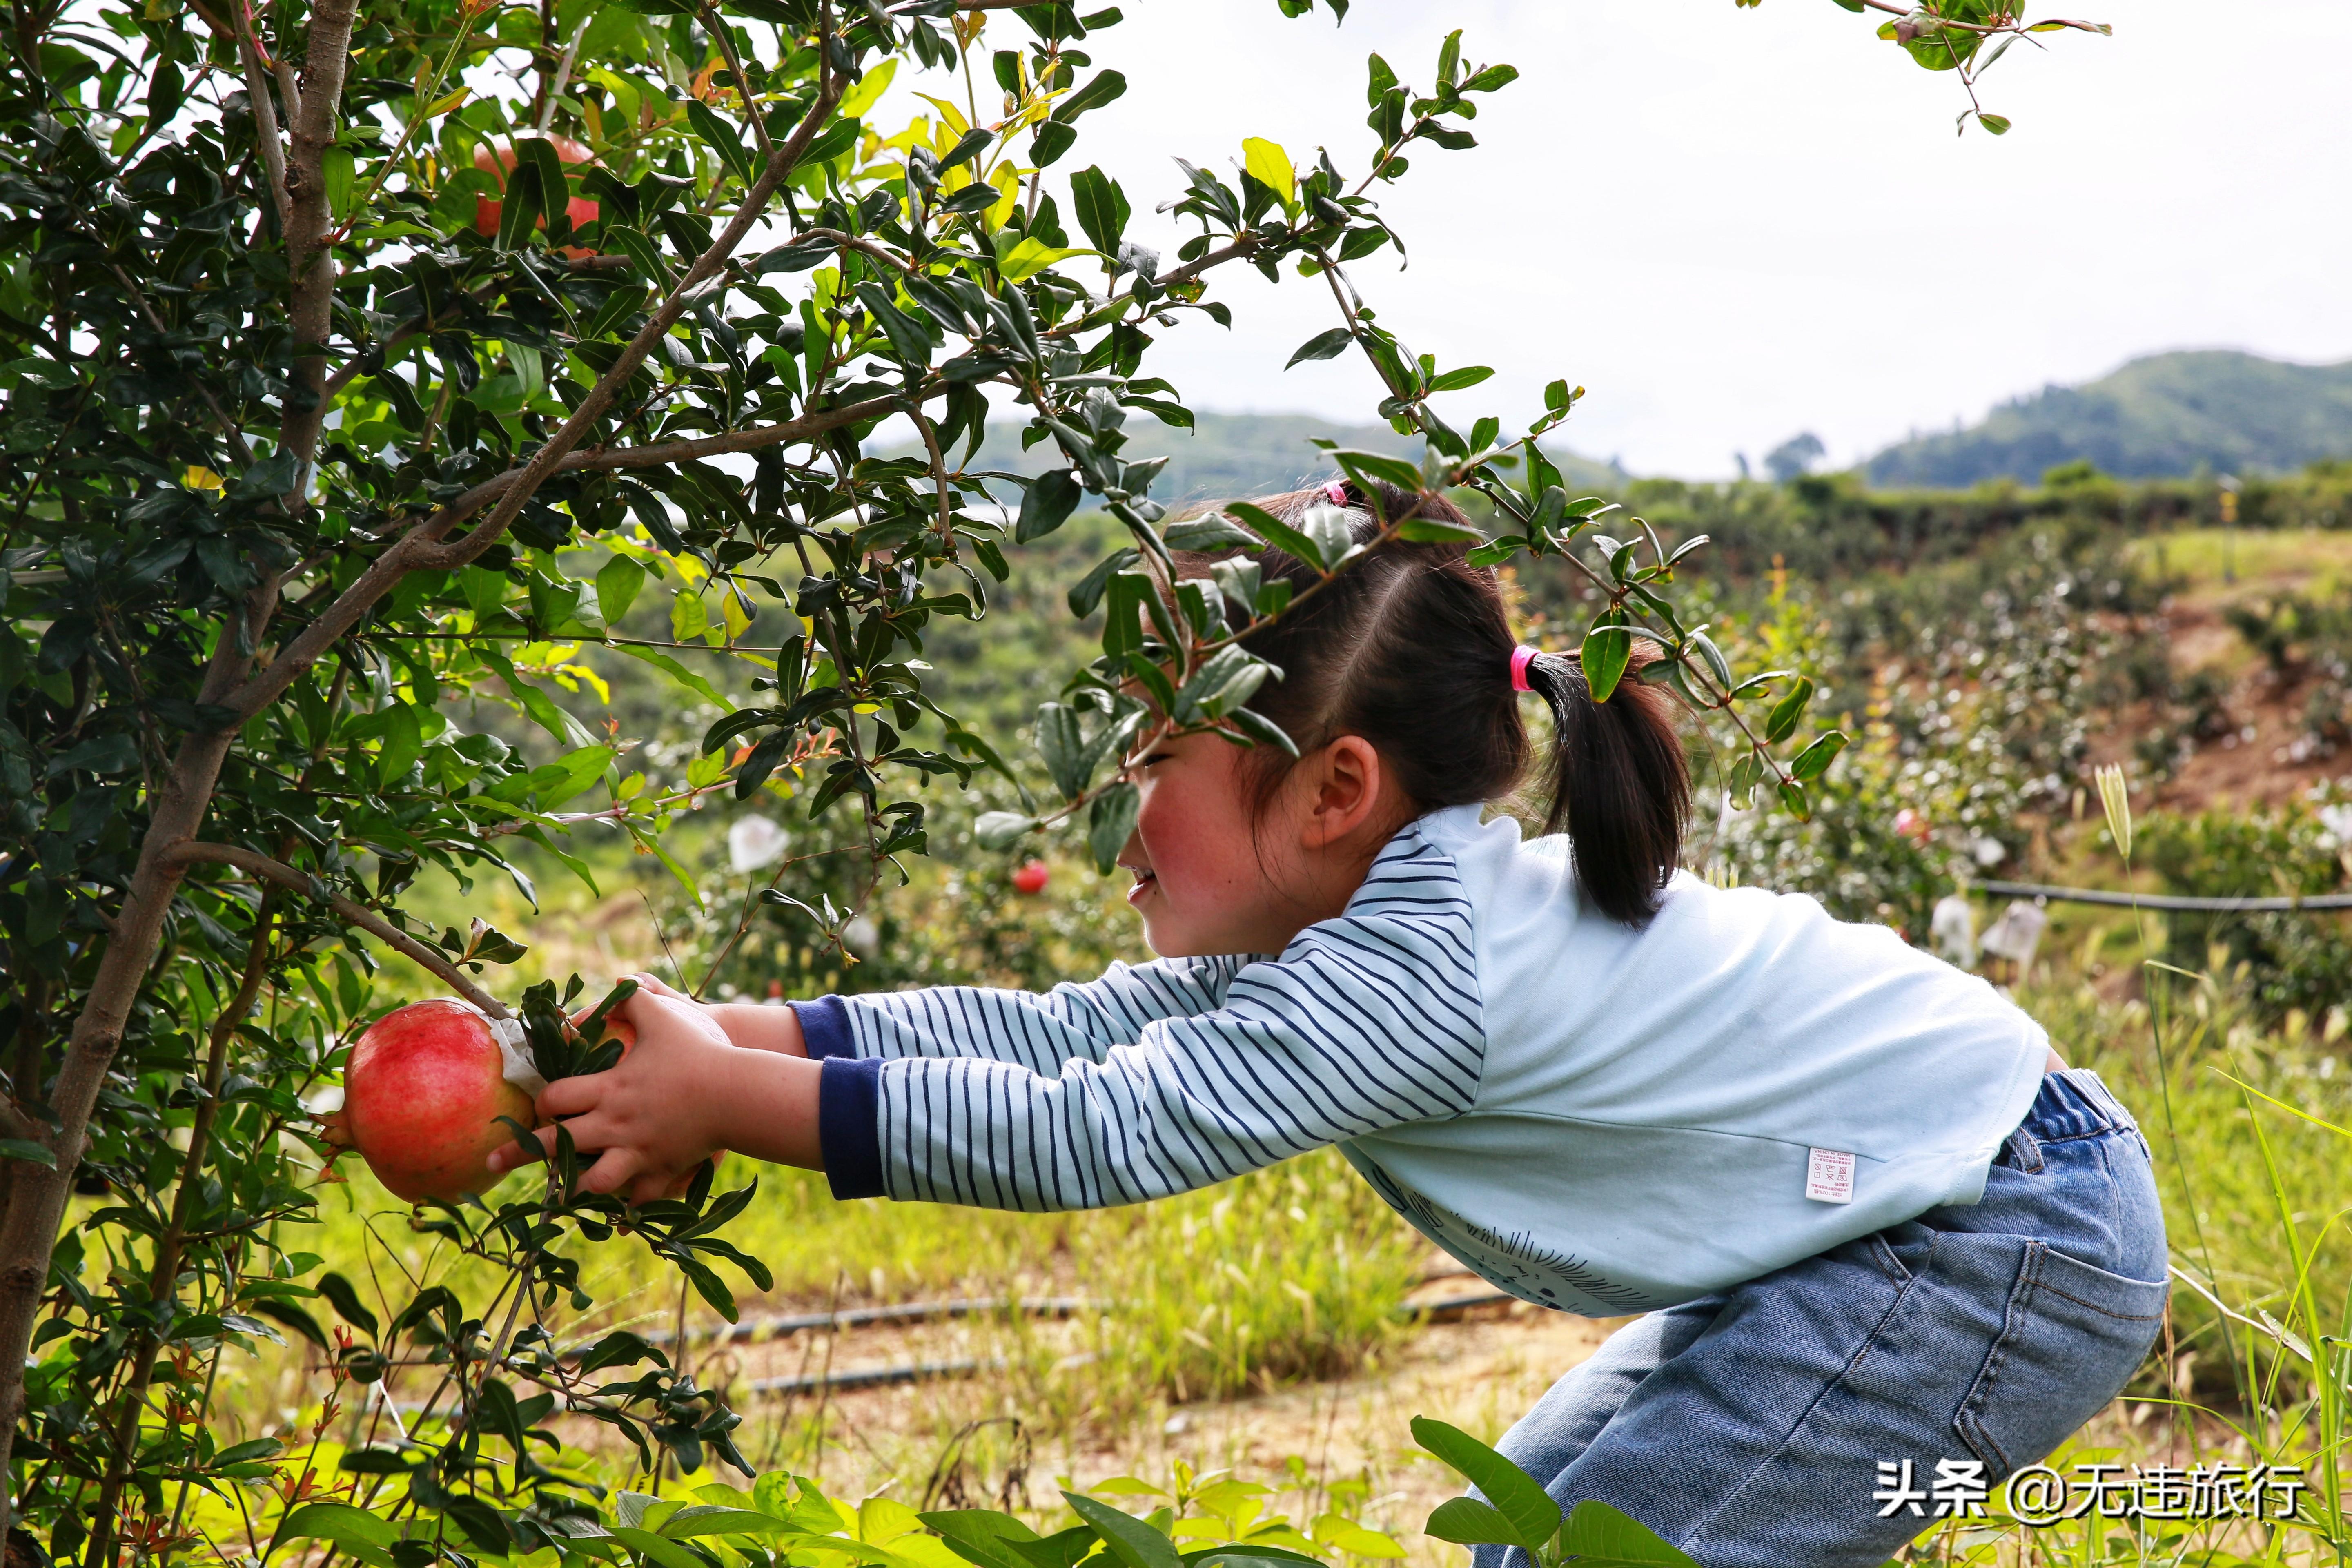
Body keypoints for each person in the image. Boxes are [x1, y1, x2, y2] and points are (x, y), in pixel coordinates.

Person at [489, 482, 2167, 1567]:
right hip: (1913, 1207)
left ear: (1333, 790)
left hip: (1996, 1232)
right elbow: (1074, 1039)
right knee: (1525, 1534)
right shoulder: (1383, 909)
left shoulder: (1412, 969)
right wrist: (742, 1033)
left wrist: (732, 1104)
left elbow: (1102, 1129)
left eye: (1154, 765)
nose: (1118, 808)